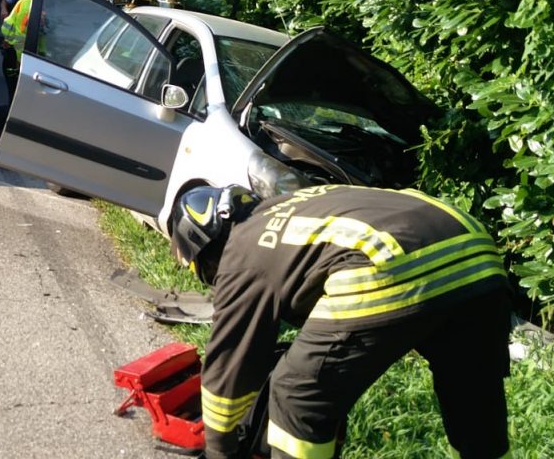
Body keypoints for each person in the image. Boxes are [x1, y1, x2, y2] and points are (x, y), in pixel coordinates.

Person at [171, 184, 511, 459]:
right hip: (477, 251)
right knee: (472, 399)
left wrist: (220, 450)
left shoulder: (240, 252)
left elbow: (228, 369)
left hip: (389, 261)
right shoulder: (288, 205)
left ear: (208, 249)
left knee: (296, 394)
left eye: (208, 272)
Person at [0, 0, 35, 102]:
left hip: (27, 43)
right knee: (10, 75)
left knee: (23, 79)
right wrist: (3, 9)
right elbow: (4, 1)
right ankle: (12, 104)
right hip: (12, 42)